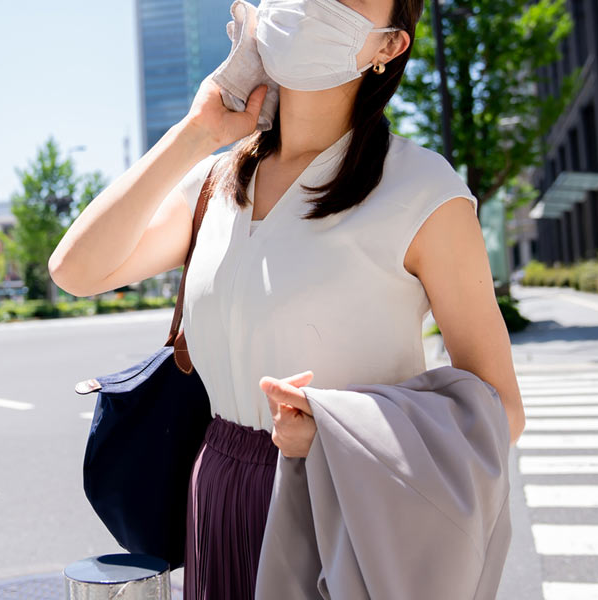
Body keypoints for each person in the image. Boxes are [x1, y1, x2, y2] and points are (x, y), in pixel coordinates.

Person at [48, 0, 526, 597]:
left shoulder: (424, 191)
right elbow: (75, 269)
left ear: (388, 47)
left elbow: (501, 409)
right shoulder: (218, 182)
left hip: (341, 506)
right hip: (217, 487)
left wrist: (336, 433)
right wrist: (198, 132)